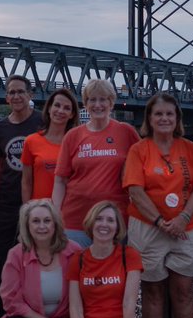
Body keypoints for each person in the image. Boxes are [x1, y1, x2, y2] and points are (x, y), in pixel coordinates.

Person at [123, 92, 193, 318]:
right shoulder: (139, 149)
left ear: (177, 119)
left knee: (184, 293)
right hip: (148, 227)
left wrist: (183, 218)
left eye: (170, 114)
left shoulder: (190, 148)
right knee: (153, 292)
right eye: (158, 114)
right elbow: (135, 190)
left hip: (185, 227)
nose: (164, 118)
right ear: (149, 118)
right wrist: (161, 221)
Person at [0, 199, 82, 318]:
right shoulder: (16, 254)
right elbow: (11, 300)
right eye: (36, 221)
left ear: (55, 224)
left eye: (47, 221)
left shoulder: (74, 251)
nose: (42, 226)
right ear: (27, 226)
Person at [0, 76, 43, 318]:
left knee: (38, 262)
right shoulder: (0, 128)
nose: (16, 96)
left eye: (21, 91)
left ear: (30, 94)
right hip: (7, 201)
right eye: (11, 93)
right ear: (6, 98)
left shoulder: (42, 121)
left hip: (37, 202)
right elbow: (1, 164)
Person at [53, 79, 140, 247]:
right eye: (92, 99)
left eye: (103, 99)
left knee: (113, 272)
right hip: (75, 220)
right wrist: (55, 215)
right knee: (75, 270)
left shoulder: (126, 132)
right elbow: (60, 180)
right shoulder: (73, 136)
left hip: (115, 220)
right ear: (85, 103)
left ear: (111, 102)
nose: (97, 104)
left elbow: (145, 167)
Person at [21, 88, 79, 202]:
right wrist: (27, 211)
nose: (61, 111)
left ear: (72, 114)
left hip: (68, 211)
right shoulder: (31, 141)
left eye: (67, 108)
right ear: (49, 108)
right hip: (40, 212)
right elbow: (26, 182)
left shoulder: (77, 144)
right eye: (57, 105)